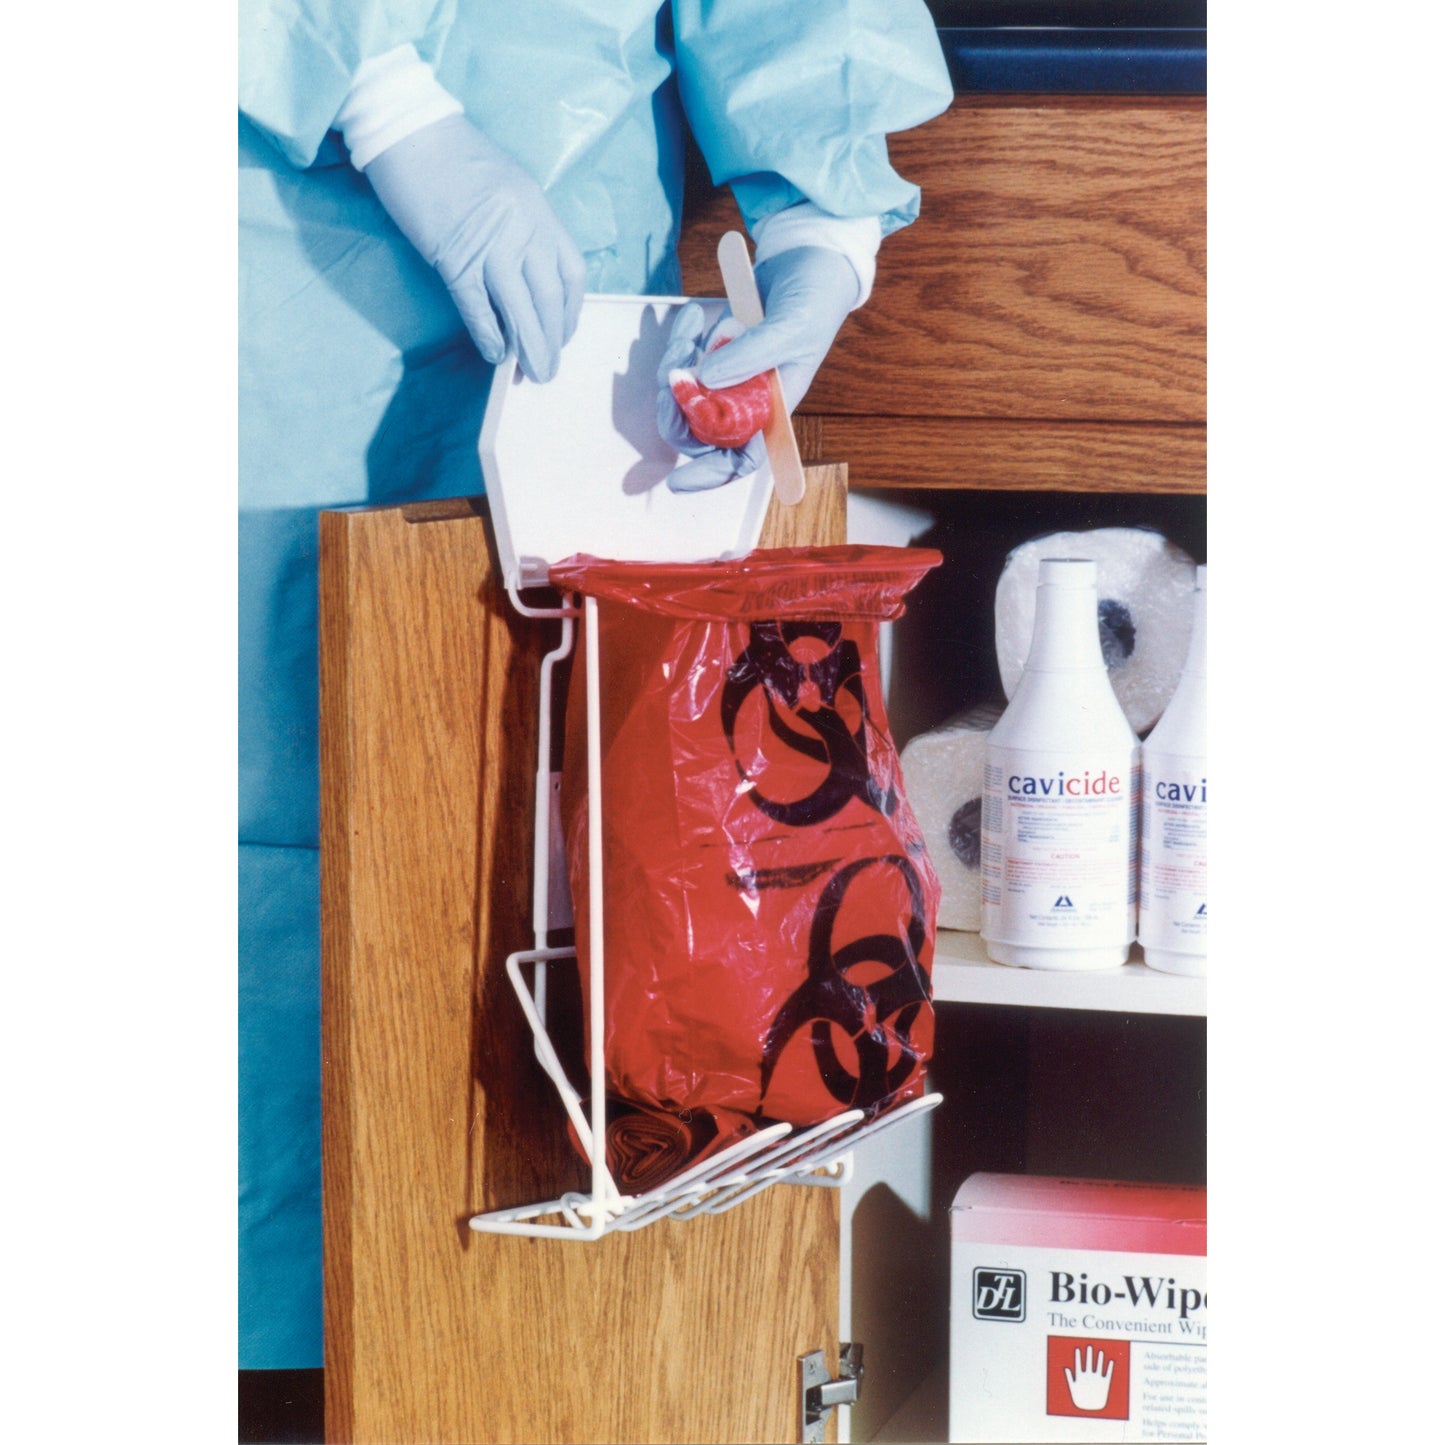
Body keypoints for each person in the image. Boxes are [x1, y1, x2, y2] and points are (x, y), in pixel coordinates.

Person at [239, 0, 952, 1371]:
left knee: (541, 871)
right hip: (250, 291)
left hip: (574, 348)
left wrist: (819, 235)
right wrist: (384, 103)